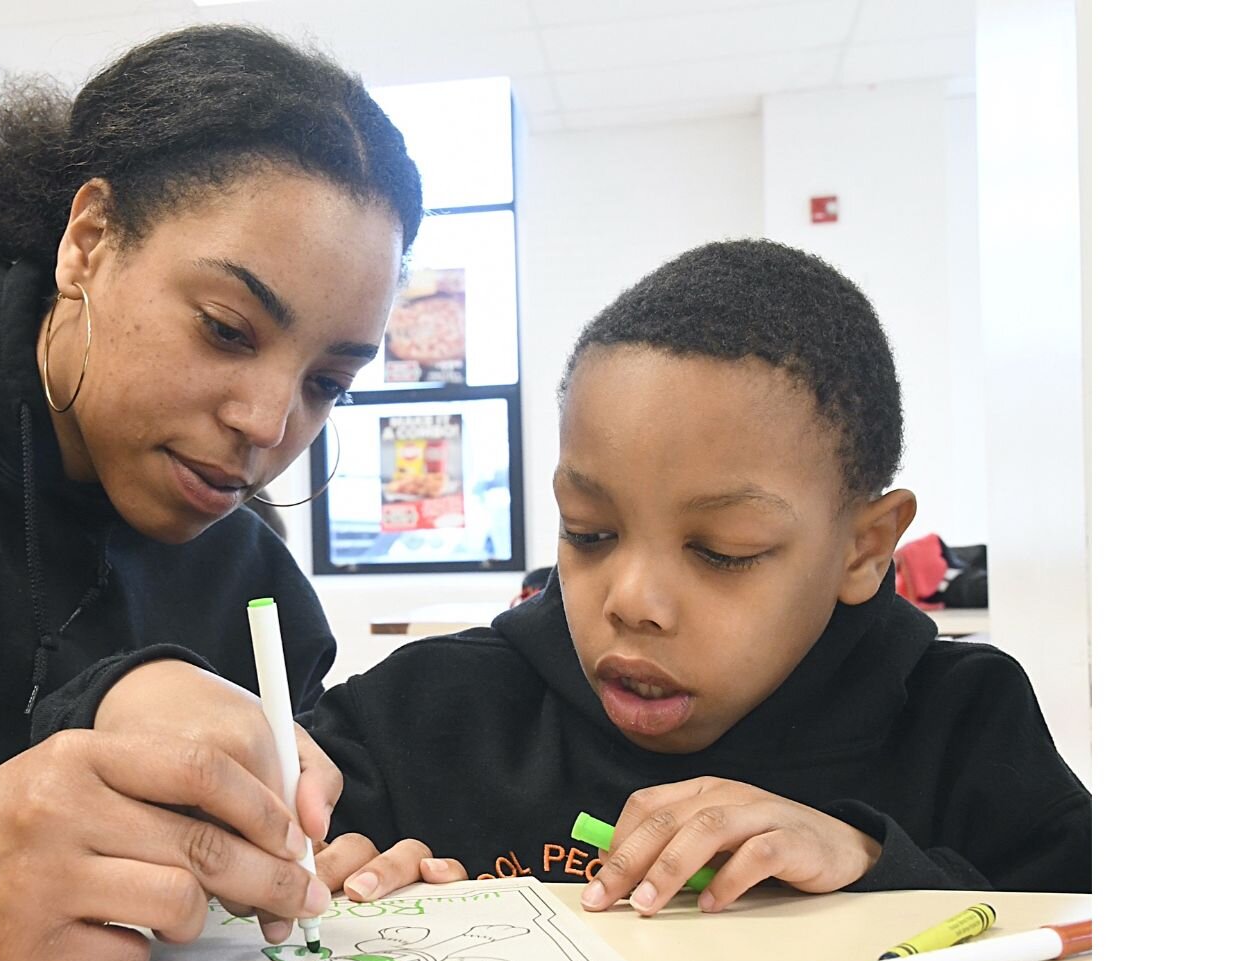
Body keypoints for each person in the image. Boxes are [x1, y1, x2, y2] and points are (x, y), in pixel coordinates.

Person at [0, 24, 434, 961]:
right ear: (89, 241)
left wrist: (338, 863)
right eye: (226, 330)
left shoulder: (257, 594)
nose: (268, 423)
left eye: (327, 384)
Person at [302, 240, 1092, 914]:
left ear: (864, 548)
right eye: (590, 531)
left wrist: (875, 867)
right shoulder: (425, 717)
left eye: (723, 551)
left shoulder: (962, 724)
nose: (632, 602)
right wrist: (330, 883)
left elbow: (1080, 940)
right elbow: (272, 857)